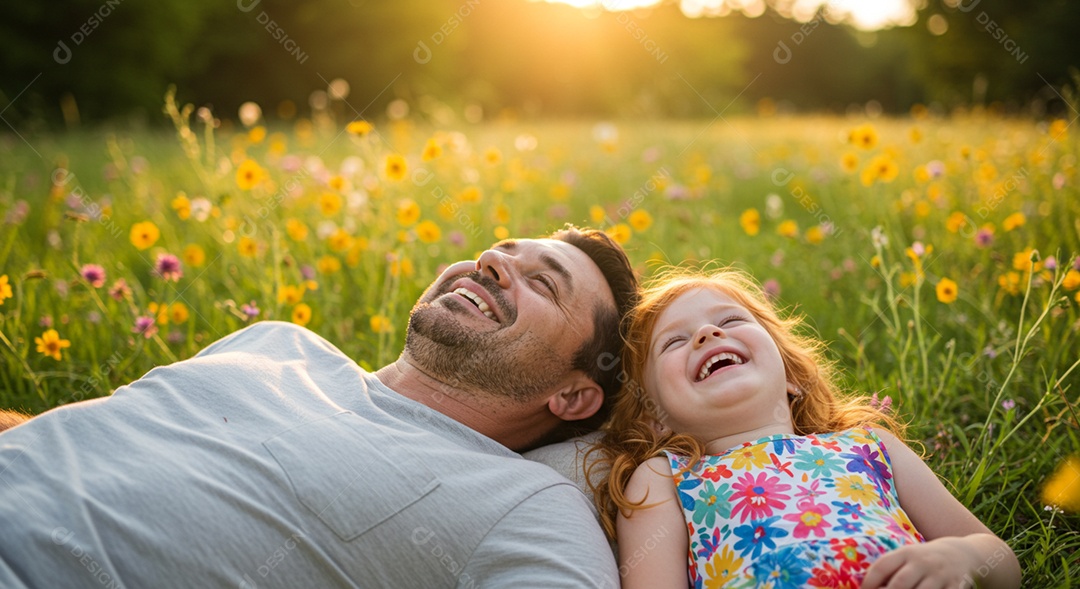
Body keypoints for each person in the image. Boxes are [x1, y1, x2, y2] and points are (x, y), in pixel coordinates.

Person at [0, 226, 638, 588]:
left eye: (543, 282)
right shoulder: (279, 341)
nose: (495, 262)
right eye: (502, 249)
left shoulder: (524, 505)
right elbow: (110, 437)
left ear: (574, 394)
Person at [589, 268, 1021, 589]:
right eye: (674, 342)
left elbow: (999, 558)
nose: (707, 332)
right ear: (653, 416)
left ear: (792, 374)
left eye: (733, 321)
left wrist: (962, 557)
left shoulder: (869, 446)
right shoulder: (667, 476)